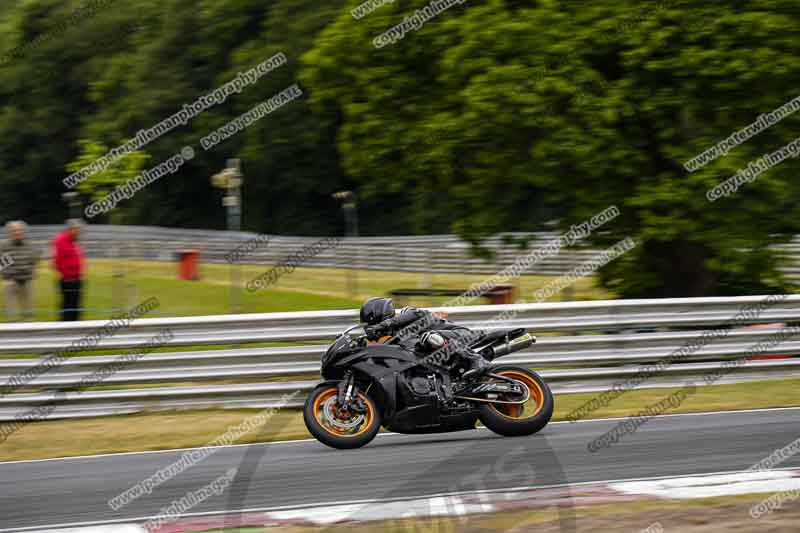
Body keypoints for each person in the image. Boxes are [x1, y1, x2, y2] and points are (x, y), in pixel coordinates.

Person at [360, 297, 489, 376]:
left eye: (374, 325)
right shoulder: (395, 334)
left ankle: (476, 359)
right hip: (445, 356)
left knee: (429, 337)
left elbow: (417, 314)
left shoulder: (407, 313)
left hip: (460, 334)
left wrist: (385, 324)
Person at [1, 221, 40, 320]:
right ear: (9, 232)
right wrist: (9, 279)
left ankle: (30, 330)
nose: (17, 233)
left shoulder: (30, 246)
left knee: (29, 314)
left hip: (27, 281)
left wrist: (31, 272)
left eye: (19, 230)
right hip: (11, 282)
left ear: (24, 231)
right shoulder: (5, 247)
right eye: (14, 231)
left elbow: (34, 261)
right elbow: (2, 265)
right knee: (11, 315)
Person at [52, 219, 85, 321]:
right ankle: (65, 326)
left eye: (80, 230)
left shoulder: (74, 241)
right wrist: (67, 275)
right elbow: (57, 261)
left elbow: (78, 257)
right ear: (71, 229)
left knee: (76, 305)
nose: (79, 232)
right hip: (68, 280)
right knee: (68, 305)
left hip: (77, 279)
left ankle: (75, 325)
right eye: (77, 230)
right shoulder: (61, 240)